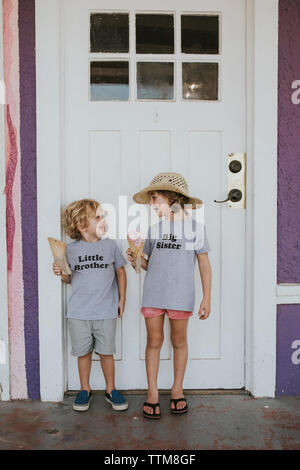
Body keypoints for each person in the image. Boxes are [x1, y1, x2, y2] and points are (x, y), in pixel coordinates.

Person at [127, 172, 212, 419]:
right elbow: (148, 264)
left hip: (181, 295)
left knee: (179, 342)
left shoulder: (196, 228)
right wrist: (137, 257)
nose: (152, 204)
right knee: (154, 342)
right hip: (154, 293)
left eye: (155, 198)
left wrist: (207, 297)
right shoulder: (154, 229)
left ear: (172, 198)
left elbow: (205, 265)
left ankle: (177, 389)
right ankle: (152, 393)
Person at [53, 198, 128, 412]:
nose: (102, 219)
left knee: (106, 353)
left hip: (105, 310)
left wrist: (122, 299)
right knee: (83, 353)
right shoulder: (70, 250)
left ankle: (110, 389)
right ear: (81, 224)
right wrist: (61, 272)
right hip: (79, 313)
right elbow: (69, 279)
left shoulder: (110, 245)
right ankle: (84, 389)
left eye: (102, 215)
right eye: (97, 217)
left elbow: (120, 272)